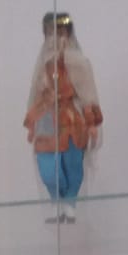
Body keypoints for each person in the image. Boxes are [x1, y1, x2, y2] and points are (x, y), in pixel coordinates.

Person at [24, 13, 101, 222]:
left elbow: (87, 93)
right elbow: (36, 94)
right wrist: (32, 122)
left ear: (67, 33)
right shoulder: (42, 64)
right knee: (48, 169)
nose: (55, 37)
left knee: (73, 165)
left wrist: (92, 123)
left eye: (59, 32)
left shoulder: (78, 62)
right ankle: (57, 202)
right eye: (50, 32)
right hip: (47, 120)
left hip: (72, 119)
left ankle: (69, 205)